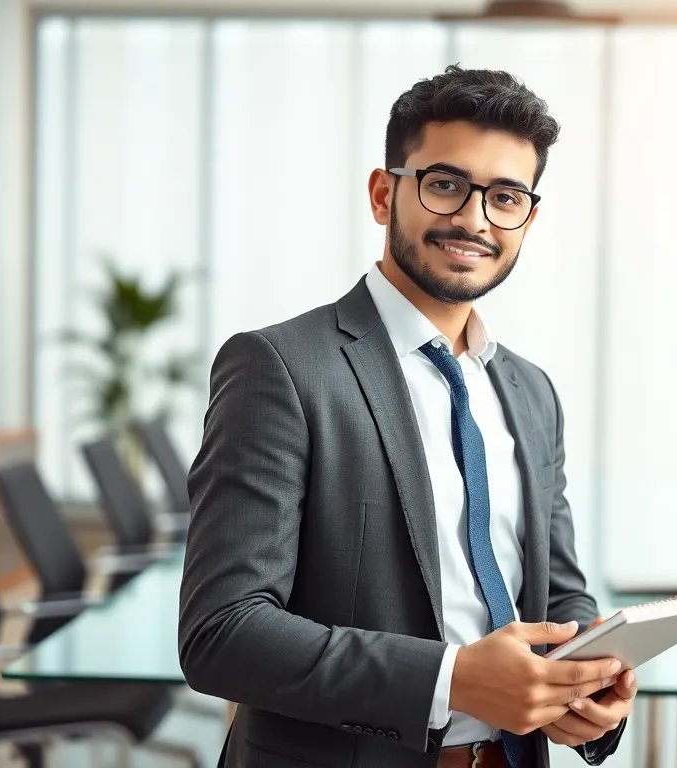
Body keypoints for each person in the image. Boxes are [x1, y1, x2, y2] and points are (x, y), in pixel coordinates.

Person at [179, 65, 635, 768]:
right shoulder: (281, 368)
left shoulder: (532, 391)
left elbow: (558, 587)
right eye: (446, 184)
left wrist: (591, 683)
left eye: (505, 196)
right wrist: (451, 679)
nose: (475, 220)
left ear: (528, 218)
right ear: (384, 193)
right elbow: (223, 633)